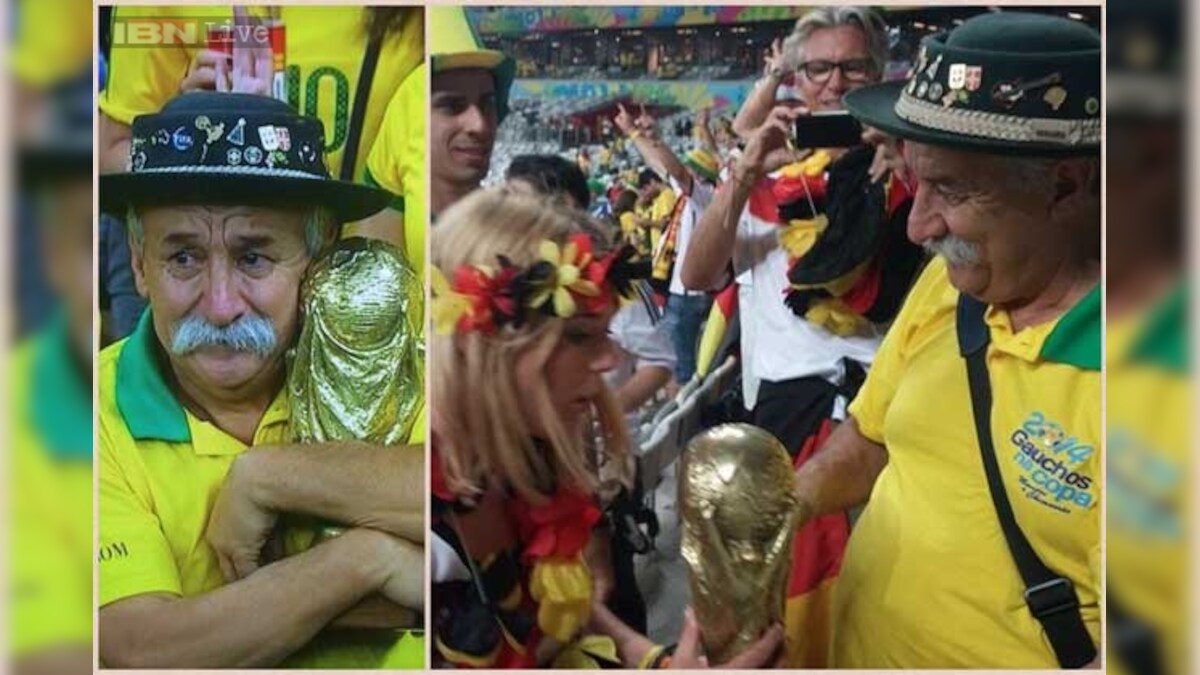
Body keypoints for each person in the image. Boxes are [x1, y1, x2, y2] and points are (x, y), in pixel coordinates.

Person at [786, 11, 1102, 668]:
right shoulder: (952, 284)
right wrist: (788, 502)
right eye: (915, 181)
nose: (918, 225)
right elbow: (873, 437)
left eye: (951, 189)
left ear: (1067, 186)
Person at [96, 93, 425, 669]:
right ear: (139, 263)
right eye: (183, 258)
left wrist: (270, 477)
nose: (221, 306)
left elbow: (483, 503)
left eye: (254, 258)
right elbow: (138, 648)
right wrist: (367, 560)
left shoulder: (377, 350)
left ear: (318, 254)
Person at [429, 191, 780, 669]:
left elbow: (561, 616)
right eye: (578, 337)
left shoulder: (530, 454)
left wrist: (650, 659)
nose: (611, 360)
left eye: (607, 333)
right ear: (488, 346)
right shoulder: (420, 523)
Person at [680, 7, 923, 667]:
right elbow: (698, 273)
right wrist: (745, 170)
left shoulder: (915, 171)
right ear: (797, 77)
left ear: (880, 73)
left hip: (896, 424)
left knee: (894, 598)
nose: (835, 83)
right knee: (788, 618)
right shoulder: (765, 177)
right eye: (819, 68)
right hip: (787, 426)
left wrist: (904, 161)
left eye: (853, 67)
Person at [429, 6, 516, 215]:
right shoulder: (390, 230)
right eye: (452, 106)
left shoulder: (521, 234)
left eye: (487, 104)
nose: (480, 125)